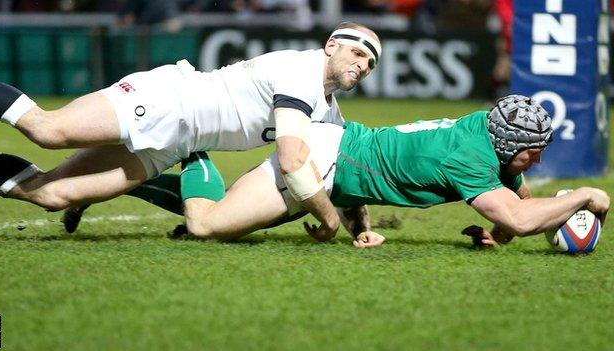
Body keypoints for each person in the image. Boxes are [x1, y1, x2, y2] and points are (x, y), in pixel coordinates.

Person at [0, 22, 383, 241]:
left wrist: (359, 231)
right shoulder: (301, 72)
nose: (363, 66)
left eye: (371, 64)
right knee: (48, 130)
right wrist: (328, 222)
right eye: (358, 53)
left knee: (53, 194)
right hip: (168, 101)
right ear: (332, 45)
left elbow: (334, 177)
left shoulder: (329, 114)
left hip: (177, 143)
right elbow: (293, 160)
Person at [62, 95, 610, 247]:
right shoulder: (469, 157)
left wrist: (490, 235)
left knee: (218, 213)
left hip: (338, 163)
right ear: (511, 144)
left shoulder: (486, 134)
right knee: (206, 226)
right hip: (320, 160)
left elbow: (507, 216)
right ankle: (194, 155)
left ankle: (106, 190)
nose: (539, 158)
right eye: (535, 149)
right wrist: (583, 194)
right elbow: (517, 217)